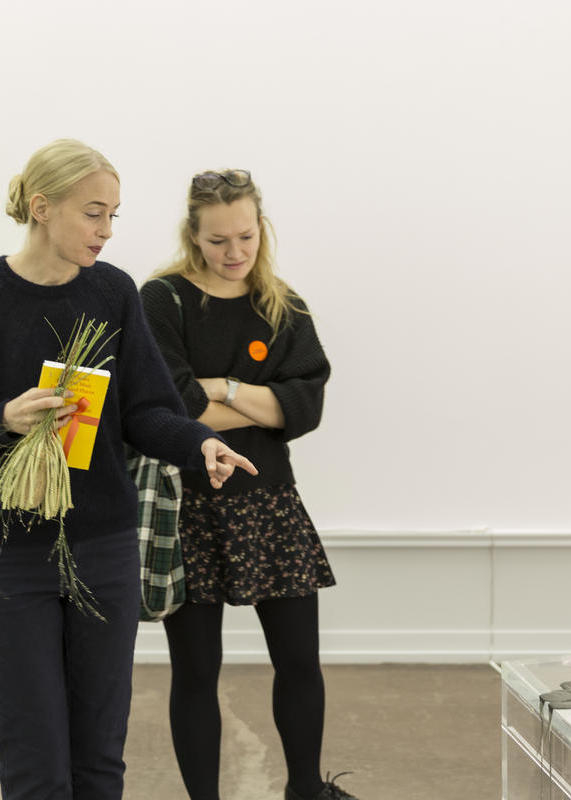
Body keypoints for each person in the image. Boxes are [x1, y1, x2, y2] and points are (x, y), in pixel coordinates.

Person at [0, 139, 257, 800]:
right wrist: (3, 418)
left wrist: (198, 443)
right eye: (93, 214)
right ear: (41, 208)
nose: (106, 230)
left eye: (113, 216)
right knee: (36, 766)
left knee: (100, 761)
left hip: (103, 549)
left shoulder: (113, 292)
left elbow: (146, 410)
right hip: (9, 554)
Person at [140, 169, 353, 800]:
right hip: (190, 503)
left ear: (262, 227)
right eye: (217, 241)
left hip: (269, 501)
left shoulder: (283, 304)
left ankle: (305, 790)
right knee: (196, 671)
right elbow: (169, 405)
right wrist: (263, 402)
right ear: (192, 235)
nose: (235, 252)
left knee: (300, 661)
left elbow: (306, 406)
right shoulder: (162, 300)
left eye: (246, 236)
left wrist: (221, 388)